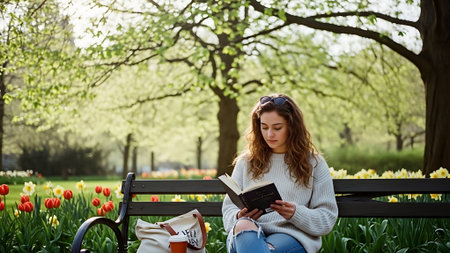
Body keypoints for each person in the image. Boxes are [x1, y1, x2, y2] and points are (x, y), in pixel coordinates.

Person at [222, 94, 338, 253]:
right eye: (264, 127)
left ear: (292, 126)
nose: (270, 134)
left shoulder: (313, 163)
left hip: (291, 235)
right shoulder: (246, 162)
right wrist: (239, 217)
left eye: (277, 128)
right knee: (243, 226)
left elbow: (327, 219)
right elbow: (228, 210)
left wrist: (295, 213)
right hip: (245, 235)